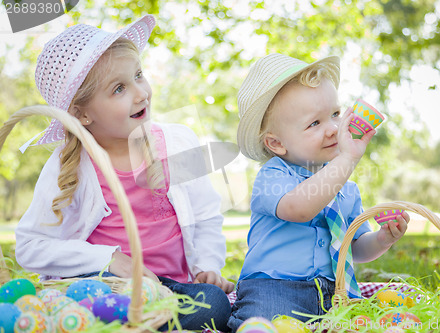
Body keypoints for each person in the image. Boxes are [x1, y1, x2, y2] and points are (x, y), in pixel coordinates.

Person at [15, 15, 232, 331]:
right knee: (81, 306)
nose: (141, 93)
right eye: (119, 88)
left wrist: (208, 265)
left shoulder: (176, 142)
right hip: (109, 289)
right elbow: (30, 246)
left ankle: (147, 323)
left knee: (213, 302)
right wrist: (107, 259)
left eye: (139, 75)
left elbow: (206, 216)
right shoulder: (70, 164)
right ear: (81, 114)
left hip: (171, 289)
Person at [228, 53, 410, 331]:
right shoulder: (274, 175)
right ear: (276, 143)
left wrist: (383, 239)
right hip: (275, 287)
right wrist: (346, 160)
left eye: (336, 115)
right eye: (315, 123)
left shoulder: (347, 189)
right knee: (266, 320)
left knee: (362, 323)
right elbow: (299, 208)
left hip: (333, 293)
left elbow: (355, 248)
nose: (334, 129)